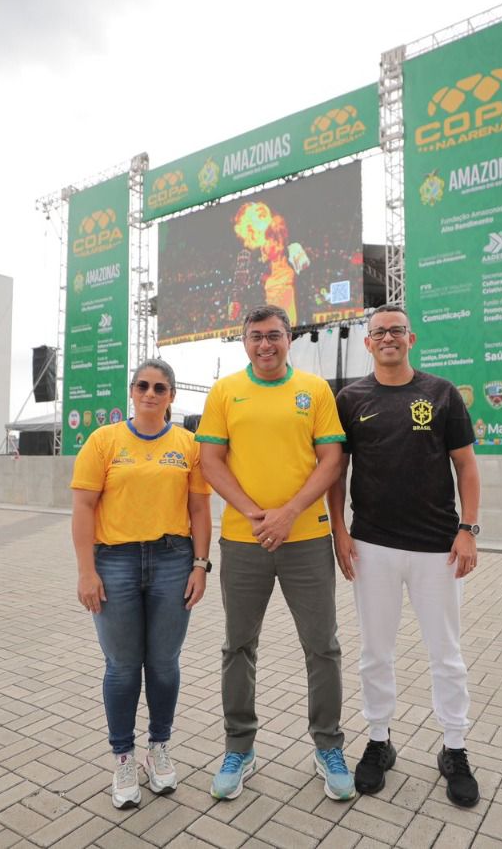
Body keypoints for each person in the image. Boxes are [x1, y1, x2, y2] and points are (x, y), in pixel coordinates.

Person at [195, 304, 354, 802]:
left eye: (275, 336)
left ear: (290, 339)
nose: (266, 344)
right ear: (245, 342)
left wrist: (289, 513)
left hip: (307, 539)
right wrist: (256, 512)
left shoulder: (315, 390)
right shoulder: (226, 391)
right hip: (244, 542)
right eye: (256, 336)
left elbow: (332, 459)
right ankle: (239, 747)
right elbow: (209, 460)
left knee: (322, 647)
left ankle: (328, 745)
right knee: (237, 647)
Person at [326, 304, 482, 807]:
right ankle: (378, 740)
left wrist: (468, 530)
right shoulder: (349, 399)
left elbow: (467, 467)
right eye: (379, 333)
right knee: (376, 652)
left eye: (396, 330)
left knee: (446, 656)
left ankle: (454, 749)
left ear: (410, 338)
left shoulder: (441, 394)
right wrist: (339, 534)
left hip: (438, 548)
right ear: (368, 343)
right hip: (371, 545)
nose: (388, 338)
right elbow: (336, 472)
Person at [71, 359, 213, 810]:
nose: (151, 393)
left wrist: (200, 565)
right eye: (143, 386)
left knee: (165, 662)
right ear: (131, 392)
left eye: (161, 387)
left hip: (174, 560)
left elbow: (200, 511)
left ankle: (158, 748)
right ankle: (123, 757)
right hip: (116, 562)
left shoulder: (189, 446)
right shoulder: (104, 441)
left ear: (172, 396)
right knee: (122, 665)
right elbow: (83, 509)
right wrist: (86, 571)